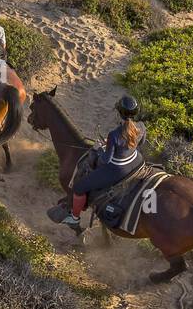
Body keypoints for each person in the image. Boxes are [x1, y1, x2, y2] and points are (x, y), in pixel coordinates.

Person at [59, 95, 146, 232]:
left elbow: (106, 160)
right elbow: (140, 144)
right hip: (136, 162)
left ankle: (74, 218)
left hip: (118, 170)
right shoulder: (141, 126)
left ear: (119, 113)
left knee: (79, 188)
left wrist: (98, 148)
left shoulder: (114, 134)